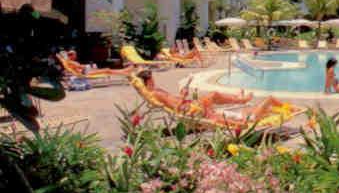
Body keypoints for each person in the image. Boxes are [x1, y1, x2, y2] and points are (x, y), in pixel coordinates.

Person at [135, 70, 288, 127]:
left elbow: (173, 100)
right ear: (148, 81)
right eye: (152, 78)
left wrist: (182, 93)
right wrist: (184, 92)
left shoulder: (155, 91)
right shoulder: (156, 93)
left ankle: (240, 101)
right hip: (187, 108)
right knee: (214, 96)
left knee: (215, 104)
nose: (154, 80)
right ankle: (242, 100)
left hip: (189, 105)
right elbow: (176, 106)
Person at [64, 50, 135, 76]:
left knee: (107, 69)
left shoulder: (70, 61)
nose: (76, 56)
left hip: (86, 70)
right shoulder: (71, 62)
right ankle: (125, 72)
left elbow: (79, 67)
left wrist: (88, 66)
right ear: (71, 55)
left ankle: (125, 71)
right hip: (86, 72)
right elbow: (80, 68)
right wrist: (89, 66)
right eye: (75, 55)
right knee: (107, 70)